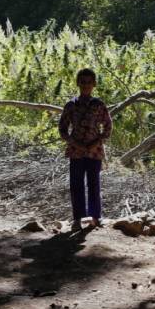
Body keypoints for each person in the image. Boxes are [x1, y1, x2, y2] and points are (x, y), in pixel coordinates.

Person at [58, 68, 113, 231]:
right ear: (77, 83)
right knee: (76, 185)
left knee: (94, 184)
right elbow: (62, 129)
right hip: (75, 152)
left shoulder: (99, 105)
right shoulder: (71, 105)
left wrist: (96, 143)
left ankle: (96, 217)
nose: (86, 85)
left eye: (89, 82)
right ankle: (77, 219)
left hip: (95, 152)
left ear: (94, 84)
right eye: (83, 82)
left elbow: (108, 127)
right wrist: (75, 143)